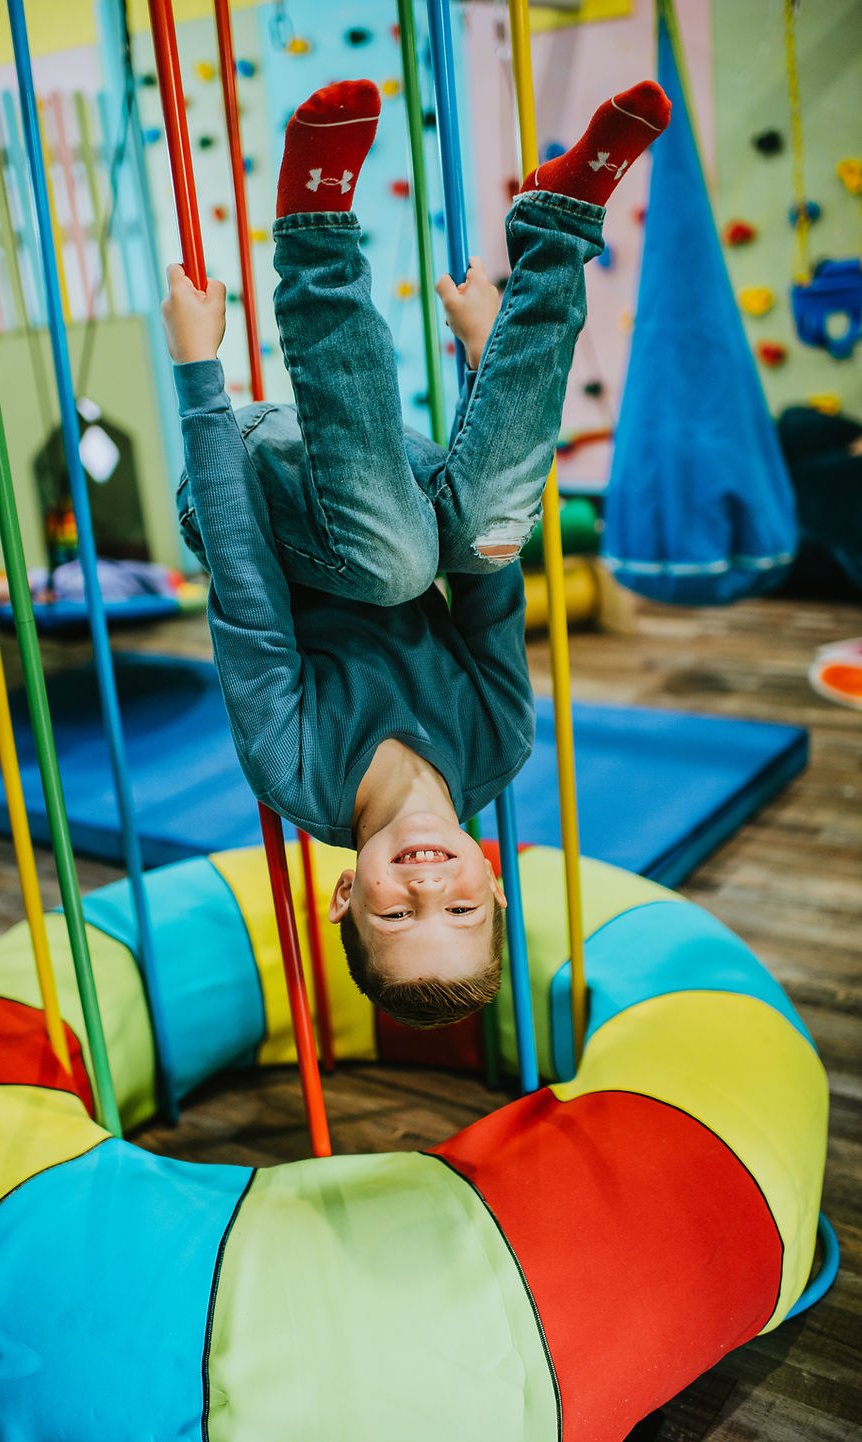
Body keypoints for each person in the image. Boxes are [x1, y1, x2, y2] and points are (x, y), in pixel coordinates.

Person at [162, 78, 670, 1027]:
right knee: (491, 532)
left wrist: (200, 372)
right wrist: (482, 363)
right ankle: (559, 218)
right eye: (462, 908)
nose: (428, 886)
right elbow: (486, 576)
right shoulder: (498, 743)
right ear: (496, 885)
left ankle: (314, 231)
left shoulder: (296, 770)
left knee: (397, 565)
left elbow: (244, 584)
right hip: (383, 480)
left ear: (347, 898)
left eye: (399, 913)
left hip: (248, 490)